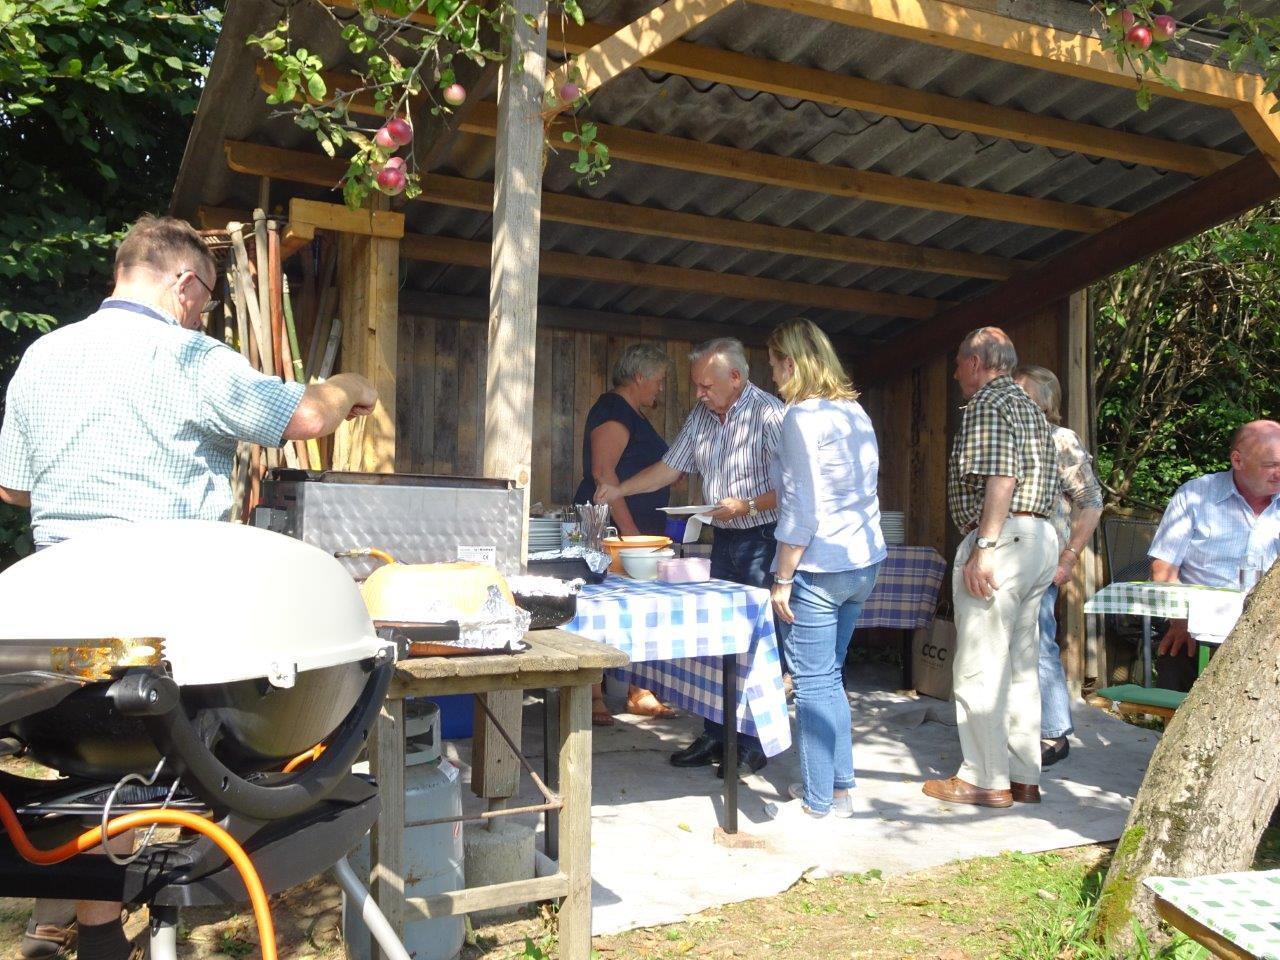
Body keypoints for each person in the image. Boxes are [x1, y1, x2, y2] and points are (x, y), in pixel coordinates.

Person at [0, 214, 377, 960]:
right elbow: (304, 415)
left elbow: (13, 489)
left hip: (56, 666)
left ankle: (85, 926)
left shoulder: (42, 357)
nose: (203, 312)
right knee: (175, 738)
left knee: (105, 759)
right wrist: (348, 386)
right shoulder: (189, 355)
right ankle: (100, 918)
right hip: (166, 657)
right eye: (204, 298)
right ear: (182, 283)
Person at [595, 337, 783, 778]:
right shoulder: (702, 415)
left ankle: (752, 743)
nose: (697, 393)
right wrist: (620, 489)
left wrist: (749, 505)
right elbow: (670, 468)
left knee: (752, 642)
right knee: (720, 641)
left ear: (735, 377)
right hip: (725, 538)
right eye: (697, 385)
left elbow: (795, 486)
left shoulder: (770, 414)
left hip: (764, 538)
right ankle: (716, 734)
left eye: (705, 386)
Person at [922, 328, 1058, 809]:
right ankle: (1022, 777)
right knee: (1020, 665)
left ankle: (983, 778)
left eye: (959, 363)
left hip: (1004, 539)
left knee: (980, 663)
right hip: (1039, 538)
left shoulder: (986, 402)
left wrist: (984, 546)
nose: (956, 373)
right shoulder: (1028, 405)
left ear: (976, 362)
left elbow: (1003, 475)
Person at [765, 319, 884, 820]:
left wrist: (782, 578)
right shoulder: (854, 410)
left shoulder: (800, 416)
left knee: (812, 685)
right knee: (829, 678)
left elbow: (801, 508)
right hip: (863, 561)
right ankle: (838, 790)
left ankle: (819, 803)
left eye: (774, 365)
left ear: (792, 363)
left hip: (818, 566)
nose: (772, 376)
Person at [572, 342, 678, 725]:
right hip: (612, 531)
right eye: (659, 380)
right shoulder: (614, 410)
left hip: (633, 532)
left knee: (638, 610)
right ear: (639, 376)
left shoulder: (633, 414)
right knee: (599, 607)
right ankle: (592, 696)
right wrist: (631, 535)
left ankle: (639, 690)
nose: (660, 388)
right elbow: (604, 474)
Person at [1013, 365, 1103, 768]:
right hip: (1005, 559)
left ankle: (1053, 732)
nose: (1016, 402)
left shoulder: (1060, 439)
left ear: (1047, 402)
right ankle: (1015, 727)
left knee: (1037, 641)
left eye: (1025, 395)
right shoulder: (1007, 439)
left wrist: (1069, 557)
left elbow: (1092, 502)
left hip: (1042, 560)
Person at [1146, 419, 1280, 691]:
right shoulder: (1196, 495)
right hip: (1195, 628)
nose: (1279, 473)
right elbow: (1163, 568)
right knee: (1177, 656)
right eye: (1271, 465)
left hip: (1268, 634)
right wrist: (1181, 620)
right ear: (1237, 460)